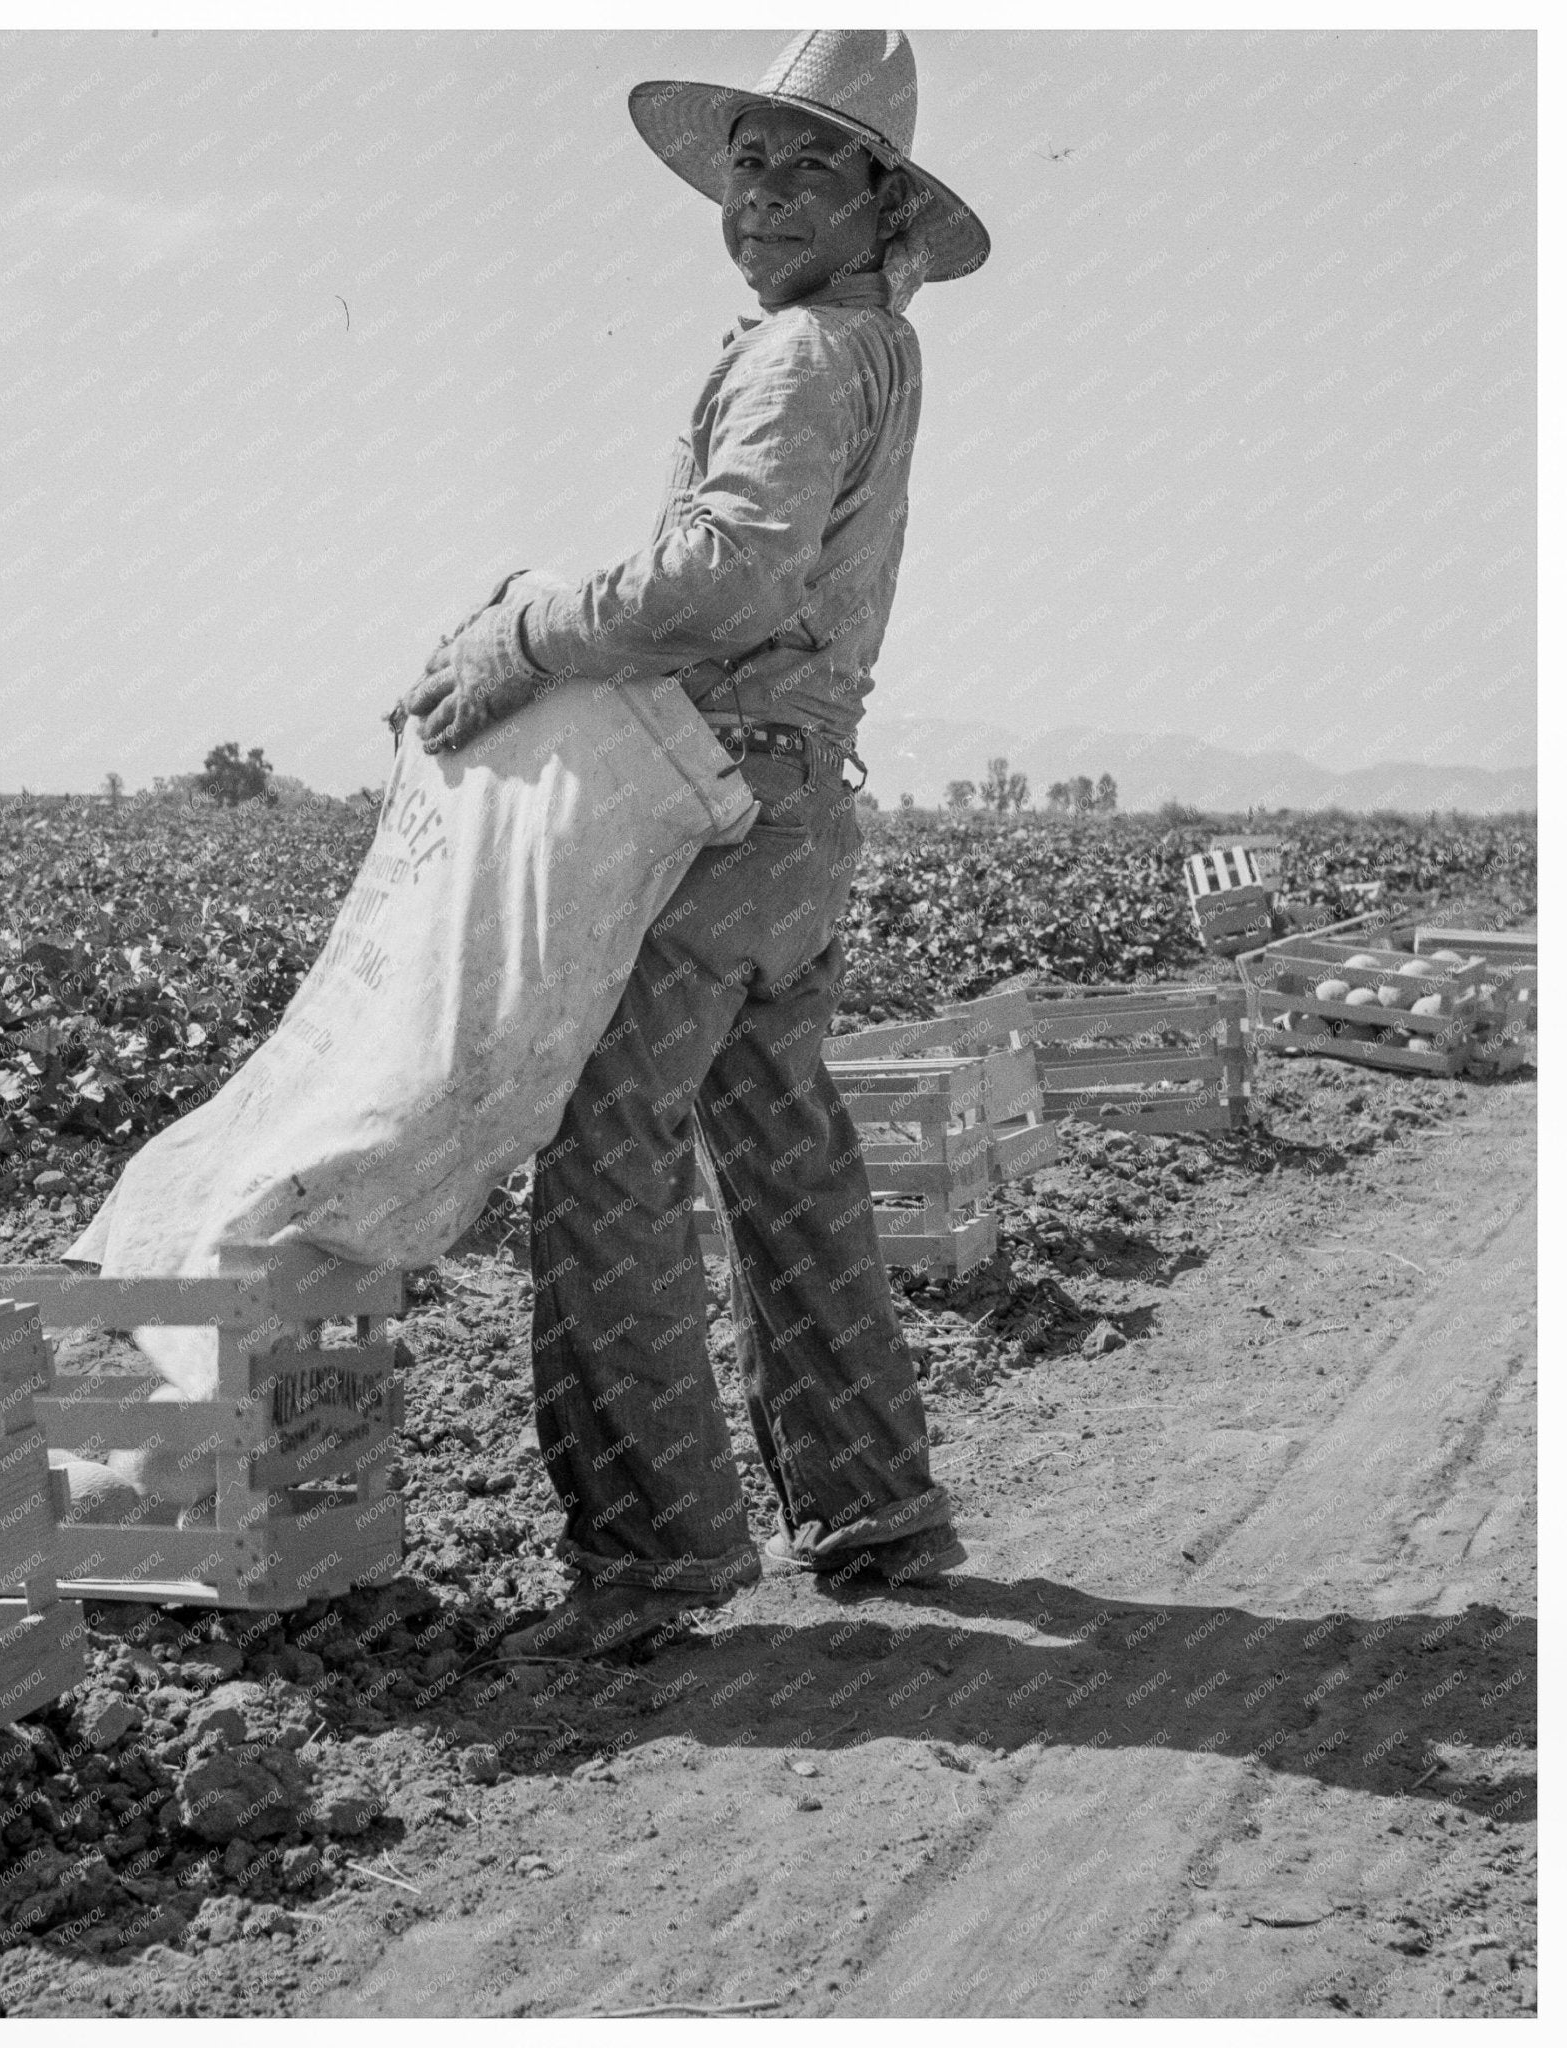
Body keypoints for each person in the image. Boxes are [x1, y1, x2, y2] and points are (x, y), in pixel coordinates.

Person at [397, 30, 993, 1658]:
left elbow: (725, 581)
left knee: (603, 1144)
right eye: (750, 160)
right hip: (801, 814)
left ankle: (656, 1560)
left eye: (811, 166)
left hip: (715, 805)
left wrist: (525, 630)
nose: (764, 193)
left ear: (880, 202)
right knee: (782, 1144)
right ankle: (878, 1510)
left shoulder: (801, 356)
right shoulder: (874, 347)